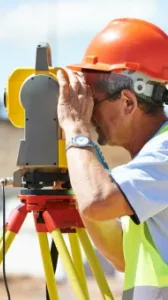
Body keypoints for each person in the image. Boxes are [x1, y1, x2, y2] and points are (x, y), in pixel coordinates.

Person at [56, 18, 168, 299]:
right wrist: (82, 180)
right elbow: (121, 256)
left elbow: (97, 202)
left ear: (128, 102)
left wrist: (75, 129)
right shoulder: (143, 171)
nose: (87, 111)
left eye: (93, 100)